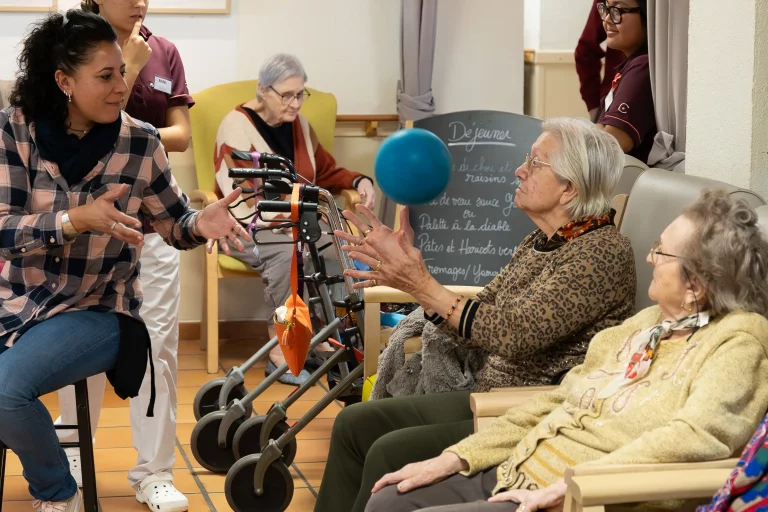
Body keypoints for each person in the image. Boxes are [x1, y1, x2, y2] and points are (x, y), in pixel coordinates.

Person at [361, 189, 768, 511]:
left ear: (695, 284)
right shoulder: (646, 325)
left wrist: (573, 485)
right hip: (523, 470)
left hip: (584, 498)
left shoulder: (738, 343)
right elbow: (560, 400)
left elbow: (696, 437)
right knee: (389, 499)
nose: (649, 257)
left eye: (660, 252)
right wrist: (457, 457)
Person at [314, 118, 638, 512]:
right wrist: (417, 284)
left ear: (569, 188)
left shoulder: (601, 254)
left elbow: (514, 334)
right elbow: (479, 322)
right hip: (489, 393)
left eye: (535, 163)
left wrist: (421, 284)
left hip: (527, 409)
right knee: (354, 424)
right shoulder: (542, 242)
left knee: (386, 449)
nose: (520, 170)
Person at [0, 10, 250, 512]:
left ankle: (58, 492)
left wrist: (201, 224)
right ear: (63, 81)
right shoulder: (15, 130)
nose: (122, 87)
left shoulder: (139, 142)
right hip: (18, 303)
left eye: (122, 72)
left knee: (6, 394)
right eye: (106, 76)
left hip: (98, 310)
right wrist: (77, 220)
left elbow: (174, 224)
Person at [52, 1, 194, 509]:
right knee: (73, 342)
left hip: (152, 218)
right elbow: (74, 127)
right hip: (84, 224)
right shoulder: (68, 45)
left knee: (158, 344)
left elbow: (180, 135)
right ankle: (71, 453)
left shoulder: (164, 50)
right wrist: (126, 70)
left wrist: (133, 115)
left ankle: (154, 471)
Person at [214, 53, 376, 384]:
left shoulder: (299, 125)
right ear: (263, 91)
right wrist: (301, 215)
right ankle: (281, 353)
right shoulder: (235, 127)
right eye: (286, 95)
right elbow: (246, 199)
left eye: (300, 94)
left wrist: (357, 180)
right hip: (246, 227)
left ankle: (336, 338)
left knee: (342, 248)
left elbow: (324, 172)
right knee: (288, 249)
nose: (295, 104)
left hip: (301, 222)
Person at [594, 0, 657, 163]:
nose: (607, 19)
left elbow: (610, 144)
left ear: (647, 15)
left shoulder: (643, 66)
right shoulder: (629, 65)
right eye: (606, 9)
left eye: (619, 10)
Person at [575, 0, 626, 121]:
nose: (607, 19)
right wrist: (594, 105)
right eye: (607, 9)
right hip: (613, 100)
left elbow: (585, 50)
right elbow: (585, 50)